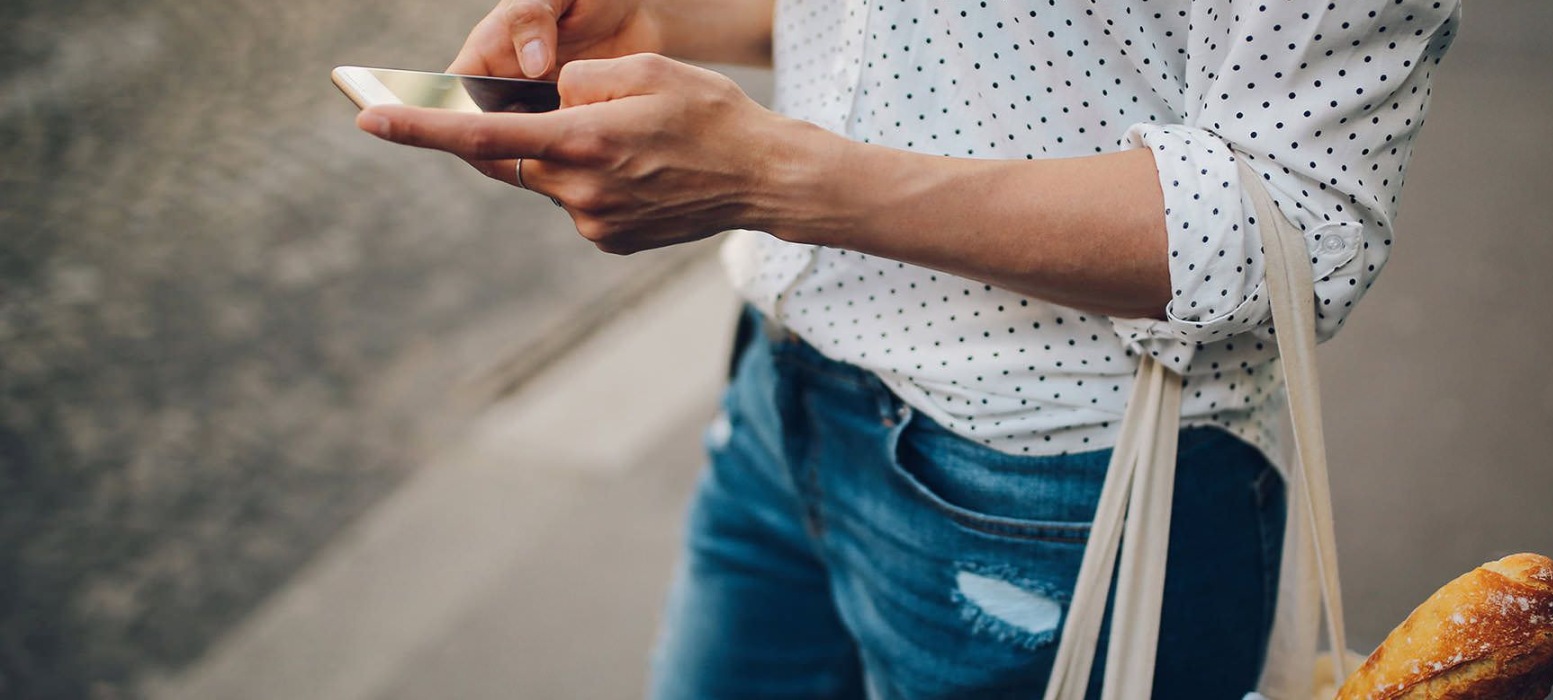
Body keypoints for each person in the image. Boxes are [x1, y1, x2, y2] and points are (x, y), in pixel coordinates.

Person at [357, 0, 1461, 697]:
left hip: (1059, 489)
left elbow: (1304, 220)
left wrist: (770, 177)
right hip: (779, 395)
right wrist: (666, 16)